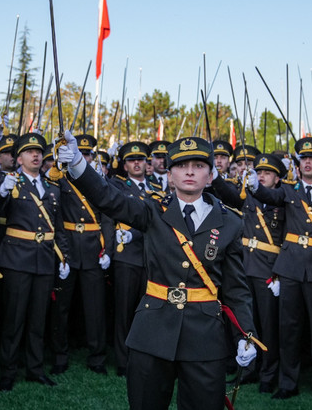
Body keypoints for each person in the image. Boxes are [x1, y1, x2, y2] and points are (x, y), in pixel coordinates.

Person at [57, 132, 259, 409]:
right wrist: (78, 164)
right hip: (152, 332)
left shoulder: (231, 223)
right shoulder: (152, 211)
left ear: (211, 176)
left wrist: (245, 334)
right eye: (181, 166)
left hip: (204, 337)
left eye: (199, 166)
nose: (189, 171)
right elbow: (108, 198)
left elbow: (237, 289)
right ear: (170, 175)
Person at [246, 137, 312, 406]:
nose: (307, 162)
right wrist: (255, 186)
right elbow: (269, 195)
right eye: (303, 158)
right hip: (290, 269)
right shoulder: (289, 190)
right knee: (288, 330)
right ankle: (288, 383)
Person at [0, 132, 70, 391]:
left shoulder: (51, 187)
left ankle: (35, 369)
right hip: (17, 258)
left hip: (45, 259)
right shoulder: (11, 183)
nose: (36, 155)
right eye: (29, 152)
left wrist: (64, 256)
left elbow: (58, 226)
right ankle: (8, 371)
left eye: (39, 151)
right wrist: (1, 192)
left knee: (39, 319)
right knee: (14, 319)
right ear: (19, 159)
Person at [212, 152, 287, 394]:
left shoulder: (284, 199)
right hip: (246, 265)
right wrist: (215, 178)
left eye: (268, 173)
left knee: (268, 325)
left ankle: (269, 373)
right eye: (260, 172)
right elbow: (230, 197)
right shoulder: (249, 195)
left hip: (269, 269)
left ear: (278, 179)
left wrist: (279, 272)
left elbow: (289, 239)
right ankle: (250, 368)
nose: (262, 176)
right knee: (246, 323)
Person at [50, 134, 113, 375]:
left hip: (93, 250)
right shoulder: (60, 179)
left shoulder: (96, 181)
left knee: (95, 308)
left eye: (88, 154)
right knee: (61, 308)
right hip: (67, 248)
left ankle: (97, 357)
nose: (84, 158)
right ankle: (59, 355)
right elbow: (54, 215)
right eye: (81, 153)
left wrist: (107, 250)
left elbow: (107, 216)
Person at [107, 141, 160, 377]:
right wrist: (108, 250)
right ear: (124, 165)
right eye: (131, 160)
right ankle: (122, 360)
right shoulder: (117, 185)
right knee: (124, 311)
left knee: (147, 312)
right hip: (126, 255)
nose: (137, 163)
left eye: (140, 159)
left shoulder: (157, 186)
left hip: (150, 256)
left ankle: (143, 357)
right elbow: (109, 216)